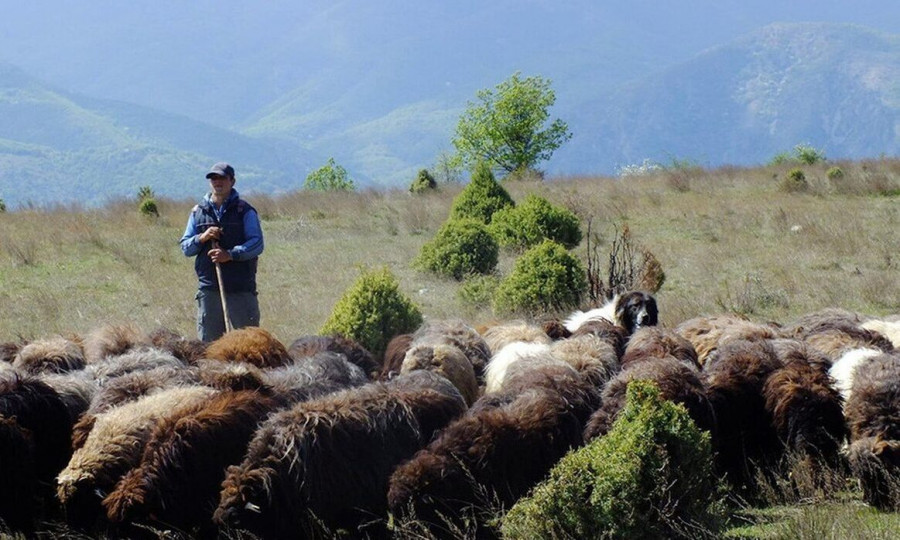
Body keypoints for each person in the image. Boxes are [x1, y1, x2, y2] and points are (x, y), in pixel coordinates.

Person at [180, 162, 264, 342]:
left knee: (248, 344)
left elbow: (257, 243)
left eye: (222, 178)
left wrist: (230, 255)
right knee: (209, 347)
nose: (217, 182)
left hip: (240, 288)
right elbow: (186, 248)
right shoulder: (198, 212)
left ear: (232, 181)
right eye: (213, 178)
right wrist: (201, 238)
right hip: (209, 289)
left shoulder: (245, 211)